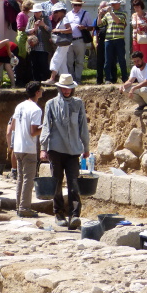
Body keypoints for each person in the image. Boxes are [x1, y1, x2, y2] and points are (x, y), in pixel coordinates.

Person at [40, 74, 89, 230]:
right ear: (59, 88)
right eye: (64, 88)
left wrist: (86, 147)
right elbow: (46, 125)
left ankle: (75, 215)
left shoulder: (78, 103)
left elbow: (83, 126)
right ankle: (59, 214)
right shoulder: (51, 104)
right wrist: (43, 147)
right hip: (56, 149)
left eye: (69, 89)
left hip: (73, 150)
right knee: (57, 183)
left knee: (74, 183)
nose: (67, 91)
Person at [9, 81, 43, 217]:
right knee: (29, 179)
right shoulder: (36, 109)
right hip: (29, 147)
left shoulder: (20, 106)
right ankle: (24, 207)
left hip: (18, 147)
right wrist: (46, 126)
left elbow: (13, 126)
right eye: (41, 90)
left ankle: (19, 206)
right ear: (37, 92)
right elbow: (33, 132)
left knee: (20, 178)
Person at [98, 0, 128, 84]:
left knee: (121, 59)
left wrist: (111, 12)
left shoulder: (123, 13)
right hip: (109, 39)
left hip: (119, 38)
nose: (113, 5)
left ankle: (125, 78)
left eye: (115, 3)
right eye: (112, 3)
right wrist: (99, 15)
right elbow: (100, 24)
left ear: (119, 3)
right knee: (108, 60)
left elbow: (118, 21)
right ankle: (107, 78)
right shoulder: (107, 14)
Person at [43, 2, 72, 86]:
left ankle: (52, 78)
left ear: (61, 11)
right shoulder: (62, 20)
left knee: (56, 59)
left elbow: (69, 30)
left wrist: (57, 30)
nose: (54, 14)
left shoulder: (65, 19)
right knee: (62, 62)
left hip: (64, 43)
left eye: (56, 12)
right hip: (63, 43)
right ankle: (66, 81)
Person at [65, 0, 91, 83]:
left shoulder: (85, 14)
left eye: (79, 5)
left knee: (79, 61)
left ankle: (78, 78)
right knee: (69, 61)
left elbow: (91, 27)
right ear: (72, 4)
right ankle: (72, 79)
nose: (77, 7)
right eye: (75, 5)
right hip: (70, 40)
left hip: (80, 40)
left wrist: (84, 27)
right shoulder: (68, 14)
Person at [26, 3, 51, 82]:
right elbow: (26, 31)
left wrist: (44, 25)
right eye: (35, 12)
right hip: (33, 46)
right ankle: (36, 81)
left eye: (38, 12)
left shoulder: (46, 18)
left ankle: (45, 80)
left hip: (43, 46)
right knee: (34, 65)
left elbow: (50, 29)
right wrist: (34, 28)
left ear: (41, 12)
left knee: (43, 64)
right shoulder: (31, 19)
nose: (37, 13)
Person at [131, 0, 147, 64]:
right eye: (135, 7)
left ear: (141, 6)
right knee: (136, 56)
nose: (136, 8)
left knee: (144, 57)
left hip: (145, 38)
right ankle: (137, 72)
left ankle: (146, 72)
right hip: (135, 38)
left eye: (138, 7)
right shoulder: (133, 15)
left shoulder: (146, 15)